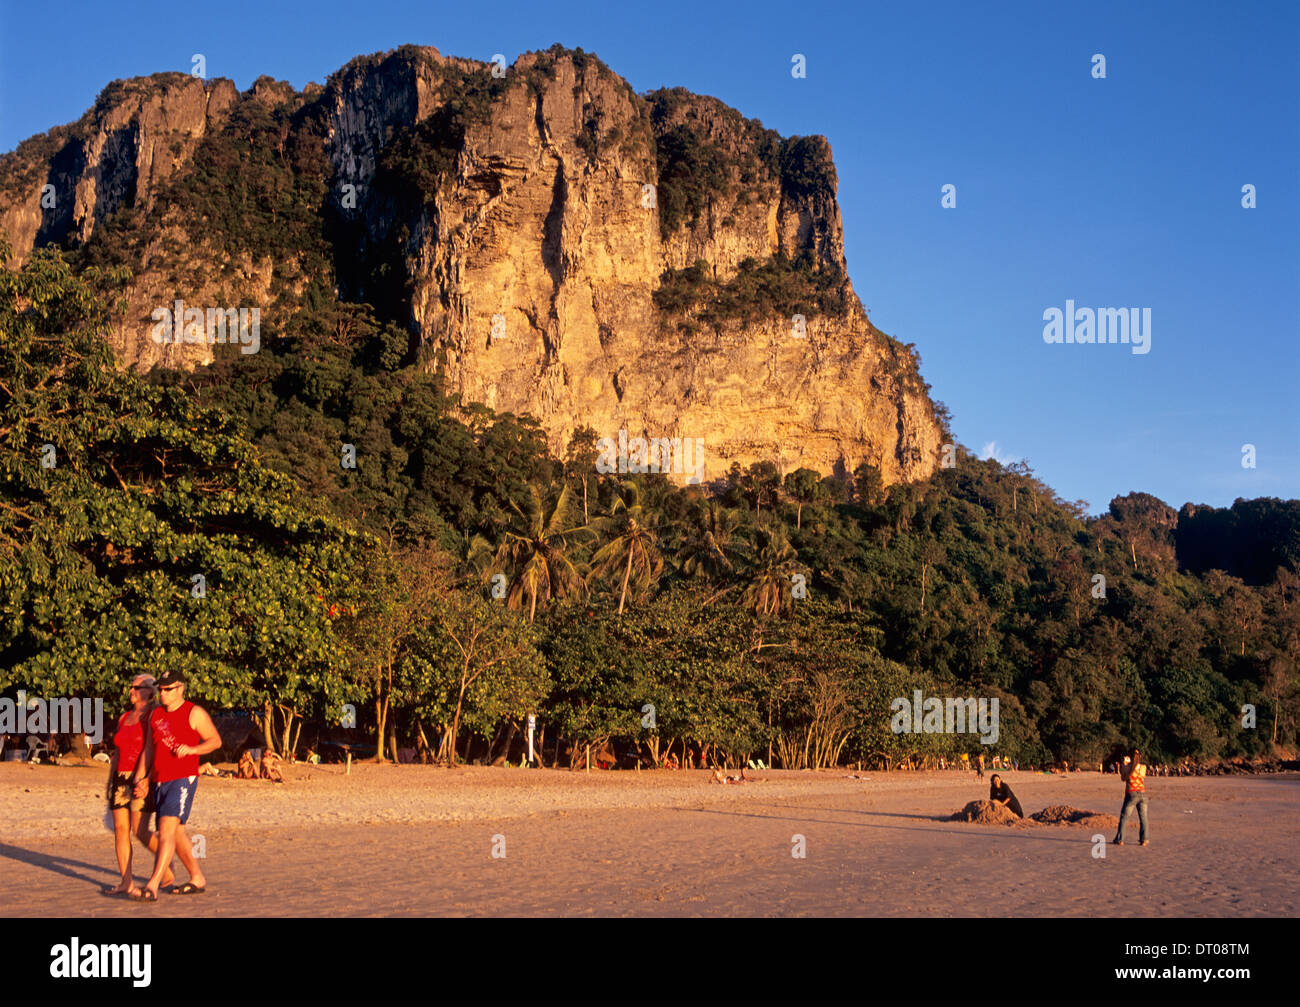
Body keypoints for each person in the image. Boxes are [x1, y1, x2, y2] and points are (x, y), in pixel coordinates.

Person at [133, 671, 222, 900]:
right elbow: (149, 749)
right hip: (159, 780)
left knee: (166, 829)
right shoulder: (156, 715)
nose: (162, 693)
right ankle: (197, 877)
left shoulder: (194, 713)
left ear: (180, 689)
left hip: (183, 779)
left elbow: (215, 741)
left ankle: (153, 884)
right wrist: (141, 777)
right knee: (177, 833)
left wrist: (193, 750)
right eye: (160, 689)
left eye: (168, 689)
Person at [102, 674, 174, 897]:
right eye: (131, 687)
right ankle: (126, 881)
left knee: (139, 831)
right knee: (120, 832)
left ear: (149, 692)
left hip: (141, 778)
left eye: (136, 687)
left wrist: (146, 777)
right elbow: (117, 753)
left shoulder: (153, 716)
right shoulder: (124, 718)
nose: (131, 691)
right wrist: (110, 780)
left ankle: (167, 870)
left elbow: (156, 750)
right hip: (120, 779)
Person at [1112, 747, 1149, 847]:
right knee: (1143, 818)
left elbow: (1123, 778)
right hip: (1143, 793)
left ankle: (1120, 839)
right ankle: (1144, 840)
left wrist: (1123, 765)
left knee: (1124, 817)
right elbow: (1141, 776)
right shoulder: (1143, 767)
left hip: (1131, 793)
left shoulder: (1126, 767)